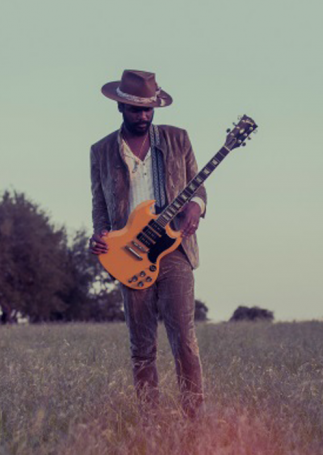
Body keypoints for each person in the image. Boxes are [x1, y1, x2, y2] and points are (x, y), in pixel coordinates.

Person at [88, 69, 206, 418]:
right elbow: (99, 204)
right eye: (136, 109)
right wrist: (100, 236)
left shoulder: (177, 139)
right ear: (121, 107)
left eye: (148, 109)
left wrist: (196, 209)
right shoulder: (101, 151)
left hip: (175, 250)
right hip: (128, 254)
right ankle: (149, 423)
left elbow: (198, 187)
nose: (143, 116)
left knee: (184, 340)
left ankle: (195, 419)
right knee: (141, 348)